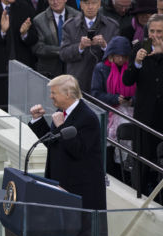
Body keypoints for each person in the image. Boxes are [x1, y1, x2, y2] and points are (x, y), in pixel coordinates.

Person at [29, 74, 106, 236]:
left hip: (82, 191)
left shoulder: (87, 117)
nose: (51, 97)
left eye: (54, 93)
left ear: (69, 93)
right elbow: (55, 144)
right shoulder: (62, 113)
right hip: (62, 185)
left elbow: (78, 150)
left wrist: (62, 126)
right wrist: (38, 121)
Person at [123, 13, 163, 195]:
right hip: (144, 116)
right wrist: (137, 62)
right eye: (152, 31)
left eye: (160, 32)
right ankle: (140, 194)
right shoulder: (141, 47)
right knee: (142, 159)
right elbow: (127, 81)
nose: (155, 35)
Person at [0, 0, 38, 109]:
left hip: (21, 71)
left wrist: (25, 34)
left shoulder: (25, 8)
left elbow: (34, 38)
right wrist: (1, 32)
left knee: (21, 111)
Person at [91, 36, 136, 179]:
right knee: (110, 151)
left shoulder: (131, 68)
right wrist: (115, 98)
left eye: (124, 56)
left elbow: (141, 91)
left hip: (130, 113)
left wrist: (131, 101)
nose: (121, 60)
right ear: (111, 55)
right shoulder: (101, 68)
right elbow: (96, 93)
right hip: (109, 115)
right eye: (118, 56)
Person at [59, 0, 119, 92]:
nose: (90, 7)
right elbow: (63, 54)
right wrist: (80, 47)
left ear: (99, 4)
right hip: (78, 82)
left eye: (94, 3)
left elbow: (119, 57)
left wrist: (104, 46)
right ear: (81, 5)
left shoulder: (112, 26)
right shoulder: (69, 26)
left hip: (104, 82)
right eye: (87, 3)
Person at [32, 0, 80, 78]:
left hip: (73, 70)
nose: (55, 2)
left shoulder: (78, 16)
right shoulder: (38, 20)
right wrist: (62, 51)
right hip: (49, 73)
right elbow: (38, 48)